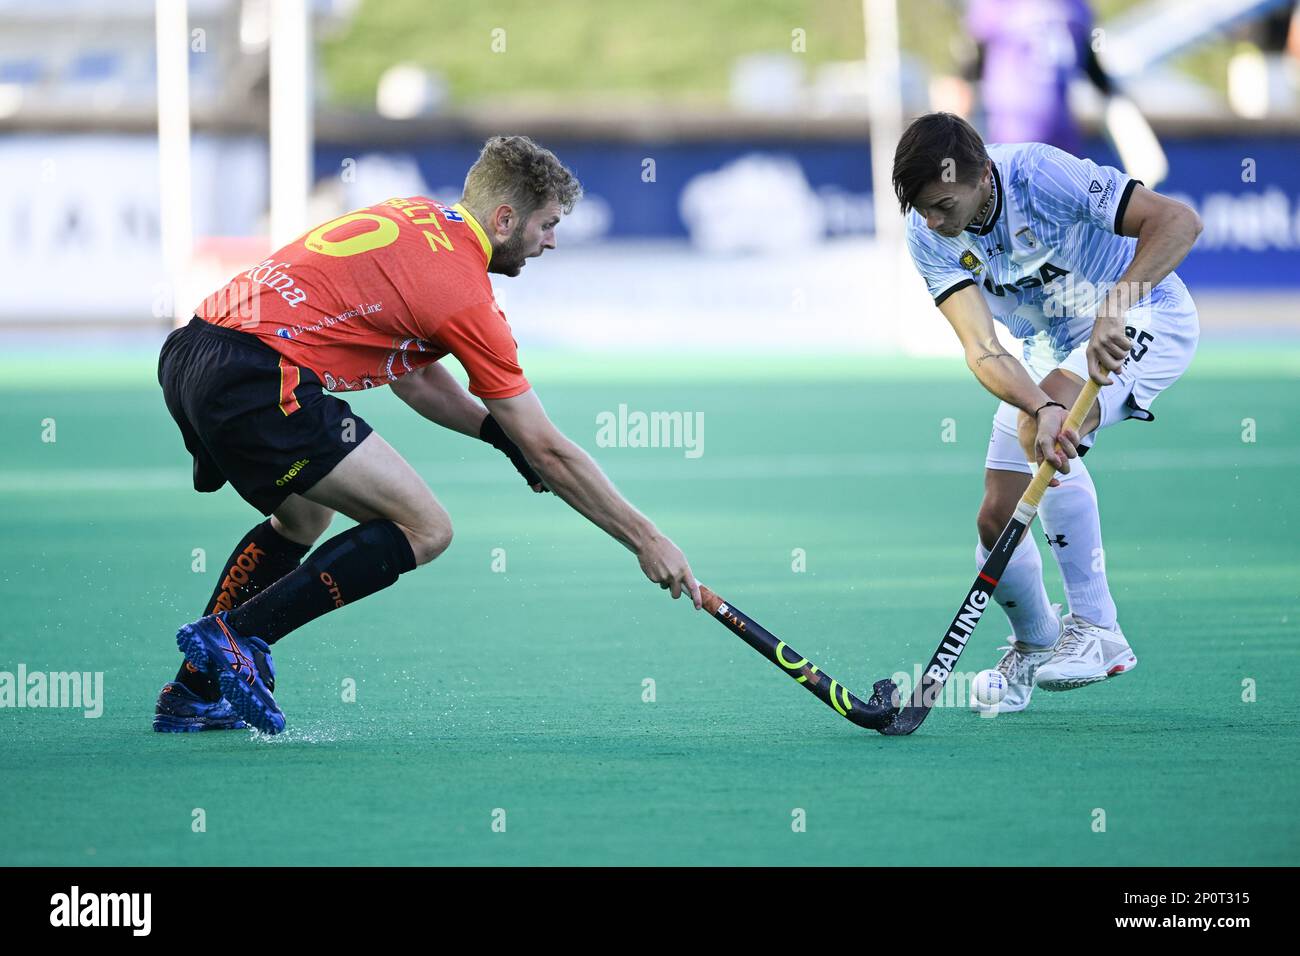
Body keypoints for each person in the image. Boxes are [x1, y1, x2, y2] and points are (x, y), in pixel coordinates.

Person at [154, 135, 701, 735]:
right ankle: (238, 635)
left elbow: (414, 381)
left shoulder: (415, 217)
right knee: (427, 527)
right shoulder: (464, 293)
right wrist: (646, 539)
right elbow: (550, 449)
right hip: (261, 378)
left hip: (193, 353)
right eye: (546, 225)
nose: (551, 241)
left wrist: (497, 437)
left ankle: (196, 690)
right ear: (505, 218)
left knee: (304, 518)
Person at [892, 112, 1201, 712]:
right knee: (996, 516)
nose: (934, 221)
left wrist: (1117, 304)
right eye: (922, 207)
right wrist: (1037, 401)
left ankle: (1099, 630)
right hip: (1052, 354)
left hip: (1146, 317)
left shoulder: (1039, 174)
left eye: (942, 204)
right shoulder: (927, 233)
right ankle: (1037, 642)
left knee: (1043, 429)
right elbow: (982, 349)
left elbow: (1178, 222)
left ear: (983, 174)